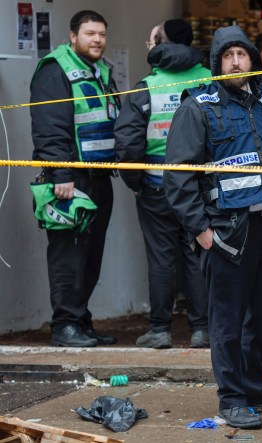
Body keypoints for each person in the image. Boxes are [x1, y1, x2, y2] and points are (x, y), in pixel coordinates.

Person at [163, 25, 262, 429]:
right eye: (228, 56)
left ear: (252, 60)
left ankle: (258, 388)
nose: (236, 62)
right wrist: (202, 231)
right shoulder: (197, 106)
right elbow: (178, 178)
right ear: (217, 63)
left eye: (242, 54)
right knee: (226, 322)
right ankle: (232, 399)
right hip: (227, 232)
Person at [114, 19, 211, 349]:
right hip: (200, 185)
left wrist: (135, 183)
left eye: (150, 40)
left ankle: (159, 330)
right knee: (198, 253)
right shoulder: (212, 80)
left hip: (156, 187)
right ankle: (202, 330)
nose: (148, 45)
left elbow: (128, 145)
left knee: (161, 259)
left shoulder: (147, 86)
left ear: (162, 45)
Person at [30, 10, 119, 347]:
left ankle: (79, 321)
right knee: (68, 255)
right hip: (70, 180)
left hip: (97, 177)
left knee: (90, 255)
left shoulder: (98, 69)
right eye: (90, 33)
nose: (97, 40)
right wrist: (60, 173)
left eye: (101, 34)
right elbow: (50, 126)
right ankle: (65, 325)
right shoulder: (56, 69)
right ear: (72, 36)